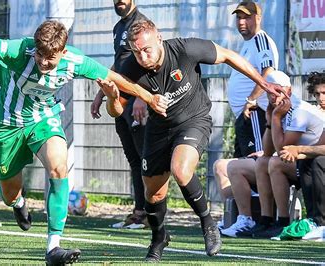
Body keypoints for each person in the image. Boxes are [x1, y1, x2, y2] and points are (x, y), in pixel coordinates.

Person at [0, 16, 168, 265]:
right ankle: (19, 203)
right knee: (9, 193)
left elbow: (117, 79)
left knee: (59, 165)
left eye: (51, 58)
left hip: (43, 117)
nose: (44, 62)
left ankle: (53, 247)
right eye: (40, 55)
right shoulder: (19, 50)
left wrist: (149, 97)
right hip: (7, 124)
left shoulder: (74, 61)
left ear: (63, 51)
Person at [97, 19, 284, 261]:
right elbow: (116, 112)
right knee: (153, 194)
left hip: (193, 120)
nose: (142, 56)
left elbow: (228, 56)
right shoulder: (130, 67)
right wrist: (112, 97)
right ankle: (159, 237)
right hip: (158, 129)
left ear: (159, 39)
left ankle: (208, 223)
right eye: (137, 51)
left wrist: (263, 83)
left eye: (147, 49)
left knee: (181, 169)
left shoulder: (185, 49)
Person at [214, 2, 278, 234]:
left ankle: (258, 218)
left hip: (255, 115)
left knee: (257, 163)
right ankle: (239, 216)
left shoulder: (261, 40)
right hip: (245, 117)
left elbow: (268, 71)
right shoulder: (247, 45)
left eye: (247, 17)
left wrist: (251, 100)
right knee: (235, 167)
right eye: (238, 18)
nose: (242, 22)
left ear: (258, 18)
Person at [91, 0, 151, 229]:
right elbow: (118, 66)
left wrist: (140, 97)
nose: (119, 1)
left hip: (136, 102)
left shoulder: (141, 24)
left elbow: (147, 64)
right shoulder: (119, 27)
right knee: (134, 159)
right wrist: (100, 95)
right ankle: (138, 212)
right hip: (120, 102)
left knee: (145, 157)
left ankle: (150, 214)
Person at [252, 71, 324, 239]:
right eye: (269, 91)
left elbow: (282, 149)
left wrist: (299, 151)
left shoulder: (299, 110)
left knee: (278, 163)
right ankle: (266, 221)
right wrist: (271, 119)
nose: (321, 98)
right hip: (304, 163)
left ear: (289, 91)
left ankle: (292, 221)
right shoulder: (277, 108)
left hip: (311, 163)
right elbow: (270, 151)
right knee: (263, 162)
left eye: (278, 91)